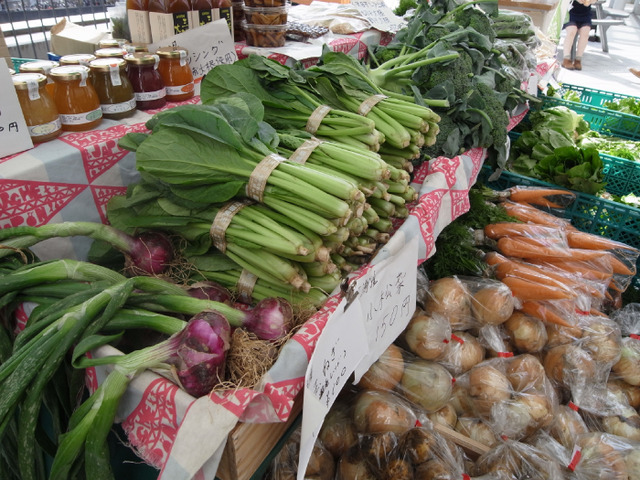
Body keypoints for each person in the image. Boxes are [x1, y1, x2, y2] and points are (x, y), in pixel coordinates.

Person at [561, 0, 597, 71]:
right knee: (572, 31)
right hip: (570, 11)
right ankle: (566, 58)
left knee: (585, 33)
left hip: (585, 13)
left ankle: (578, 59)